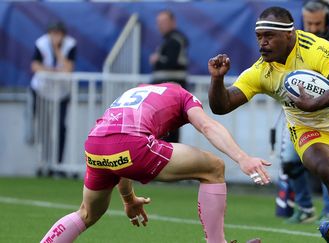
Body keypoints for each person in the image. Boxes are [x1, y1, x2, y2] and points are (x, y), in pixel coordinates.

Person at [207, 6, 329, 243]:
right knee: (328, 169)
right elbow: (222, 106)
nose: (262, 43)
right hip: (308, 130)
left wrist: (316, 103)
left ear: (289, 35)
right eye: (259, 37)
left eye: (269, 36)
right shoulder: (262, 71)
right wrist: (217, 80)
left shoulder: (315, 49)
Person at [40, 82, 270, 243]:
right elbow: (207, 126)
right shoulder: (182, 95)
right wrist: (243, 157)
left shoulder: (137, 92)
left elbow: (120, 155)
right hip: (131, 145)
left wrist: (129, 199)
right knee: (214, 167)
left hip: (95, 146)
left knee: (87, 213)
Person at [277, 0, 329, 224]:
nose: (312, 28)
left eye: (317, 23)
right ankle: (306, 207)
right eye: (308, 23)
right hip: (299, 115)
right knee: (290, 162)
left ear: (327, 20)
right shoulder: (295, 42)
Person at [29, 21, 77, 173]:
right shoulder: (41, 43)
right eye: (53, 33)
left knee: (61, 127)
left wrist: (57, 49)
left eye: (58, 33)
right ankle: (45, 163)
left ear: (63, 34)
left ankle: (58, 163)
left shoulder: (70, 45)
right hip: (42, 90)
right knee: (44, 127)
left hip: (61, 91)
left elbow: (68, 68)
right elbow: (35, 66)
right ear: (49, 33)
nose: (55, 36)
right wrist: (52, 70)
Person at [149, 9, 189, 143]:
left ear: (173, 22)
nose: (160, 25)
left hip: (171, 91)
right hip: (165, 91)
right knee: (164, 128)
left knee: (170, 129)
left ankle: (172, 159)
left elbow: (171, 62)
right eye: (158, 22)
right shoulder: (168, 40)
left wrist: (157, 59)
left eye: (164, 22)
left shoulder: (175, 40)